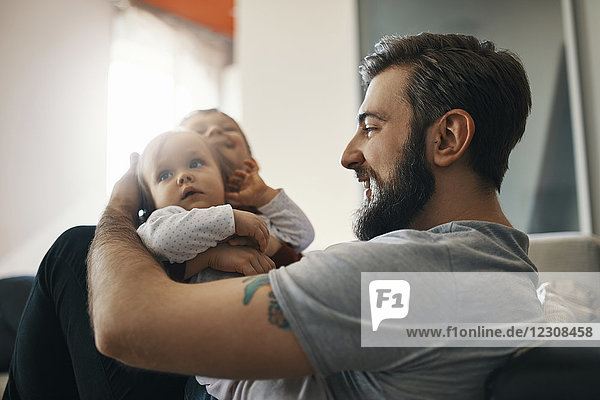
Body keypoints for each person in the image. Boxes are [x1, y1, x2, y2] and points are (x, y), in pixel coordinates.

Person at [5, 32, 543, 400]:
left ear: (447, 137)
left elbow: (123, 325)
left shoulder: (401, 277)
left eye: (372, 127)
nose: (349, 154)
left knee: (77, 250)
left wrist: (124, 201)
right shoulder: (503, 268)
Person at [135, 128, 314, 282]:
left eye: (195, 163)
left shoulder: (248, 221)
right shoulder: (167, 218)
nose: (183, 176)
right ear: (150, 199)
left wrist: (269, 242)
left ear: (222, 178)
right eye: (164, 175)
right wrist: (217, 244)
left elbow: (302, 236)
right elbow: (161, 241)